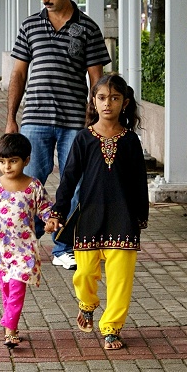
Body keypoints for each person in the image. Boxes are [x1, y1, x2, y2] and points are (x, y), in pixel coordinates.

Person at [7, 0, 112, 270]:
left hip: (74, 123)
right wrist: (12, 118)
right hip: (34, 119)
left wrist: (98, 121)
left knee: (76, 183)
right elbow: (18, 74)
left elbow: (97, 81)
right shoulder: (29, 26)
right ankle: (27, 240)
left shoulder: (88, 28)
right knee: (29, 182)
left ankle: (63, 246)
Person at [45, 74, 149, 350]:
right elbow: (68, 178)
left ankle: (112, 328)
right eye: (102, 98)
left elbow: (140, 179)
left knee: (120, 279)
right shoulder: (83, 138)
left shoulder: (130, 141)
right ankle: (87, 303)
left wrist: (141, 214)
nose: (107, 104)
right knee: (85, 272)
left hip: (123, 218)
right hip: (89, 215)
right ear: (93, 101)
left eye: (114, 98)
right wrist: (57, 212)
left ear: (124, 103)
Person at [0, 133, 54, 348]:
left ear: (26, 160)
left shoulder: (34, 186)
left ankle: (9, 328)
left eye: (13, 161)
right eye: (2, 162)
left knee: (18, 287)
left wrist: (50, 221)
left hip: (25, 249)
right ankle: (11, 325)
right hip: (1, 249)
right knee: (7, 290)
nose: (7, 167)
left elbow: (46, 208)